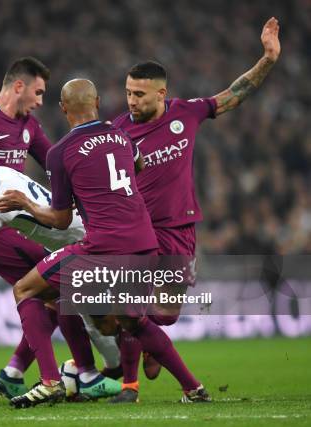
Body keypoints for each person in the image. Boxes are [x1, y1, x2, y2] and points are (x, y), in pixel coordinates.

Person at [105, 16, 281, 403]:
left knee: (165, 315)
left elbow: (234, 94)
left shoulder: (187, 113)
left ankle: (149, 341)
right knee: (130, 305)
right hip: (136, 230)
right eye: (128, 92)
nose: (131, 101)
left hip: (179, 229)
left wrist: (267, 59)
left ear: (161, 93)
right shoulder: (117, 131)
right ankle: (129, 386)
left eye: (139, 94)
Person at [0, 78, 195, 408]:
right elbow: (139, 166)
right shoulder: (122, 136)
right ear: (98, 102)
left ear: (62, 109)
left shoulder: (59, 153)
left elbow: (59, 220)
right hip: (143, 240)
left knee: (26, 289)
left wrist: (26, 205)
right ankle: (191, 386)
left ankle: (52, 381)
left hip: (102, 245)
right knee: (133, 318)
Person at [0, 57, 117, 400]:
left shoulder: (29, 126)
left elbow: (53, 159)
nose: (41, 101)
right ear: (19, 86)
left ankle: (15, 371)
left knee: (52, 291)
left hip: (21, 227)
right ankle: (80, 374)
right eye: (39, 91)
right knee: (50, 289)